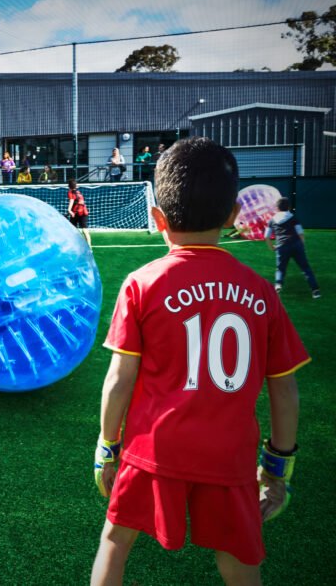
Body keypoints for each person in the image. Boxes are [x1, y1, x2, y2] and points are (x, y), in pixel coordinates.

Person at [90, 137, 310, 586]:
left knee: (114, 542)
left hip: (152, 451)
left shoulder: (141, 283)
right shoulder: (260, 291)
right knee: (240, 561)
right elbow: (285, 388)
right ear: (233, 216)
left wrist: (107, 447)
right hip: (230, 457)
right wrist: (277, 467)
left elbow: (119, 379)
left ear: (158, 219)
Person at [264, 197, 321, 298]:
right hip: (296, 245)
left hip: (281, 247)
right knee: (305, 268)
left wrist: (271, 247)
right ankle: (315, 291)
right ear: (289, 207)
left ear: (277, 208)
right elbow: (301, 233)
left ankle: (278, 285)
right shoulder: (293, 218)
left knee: (280, 269)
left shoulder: (272, 220)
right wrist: (302, 245)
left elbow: (266, 236)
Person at [67, 179, 91, 246]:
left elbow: (72, 201)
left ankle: (73, 244)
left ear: (69, 186)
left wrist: (69, 210)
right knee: (85, 230)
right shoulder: (78, 192)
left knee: (72, 230)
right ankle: (89, 246)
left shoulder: (71, 192)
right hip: (83, 212)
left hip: (77, 213)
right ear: (76, 186)